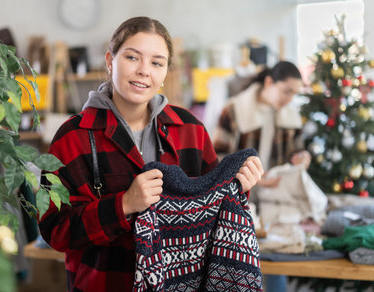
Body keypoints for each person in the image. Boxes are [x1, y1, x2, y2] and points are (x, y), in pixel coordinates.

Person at [38, 16, 264, 292]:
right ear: (110, 61)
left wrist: (239, 185)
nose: (145, 71)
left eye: (157, 62)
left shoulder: (190, 129)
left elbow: (212, 211)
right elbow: (55, 229)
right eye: (133, 57)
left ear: (166, 70)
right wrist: (123, 205)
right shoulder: (72, 137)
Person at [212, 60, 311, 292]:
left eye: (294, 94)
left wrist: (303, 158)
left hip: (275, 200)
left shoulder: (290, 117)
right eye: (286, 91)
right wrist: (252, 179)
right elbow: (216, 157)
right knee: (239, 267)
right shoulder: (234, 110)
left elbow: (297, 152)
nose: (289, 98)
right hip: (238, 199)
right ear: (269, 82)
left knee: (277, 262)